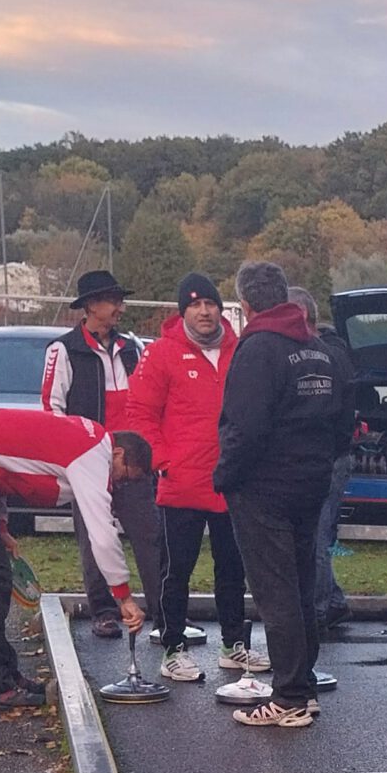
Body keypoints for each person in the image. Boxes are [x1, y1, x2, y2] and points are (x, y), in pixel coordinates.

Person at [0, 403, 146, 709]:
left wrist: (1, 526)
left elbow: (5, 466)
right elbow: (101, 532)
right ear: (119, 454)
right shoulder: (92, 454)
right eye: (125, 476)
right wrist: (123, 595)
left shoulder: (83, 436)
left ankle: (3, 672)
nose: (118, 484)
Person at [213, 261, 350, 728]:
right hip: (311, 484)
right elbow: (341, 424)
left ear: (246, 304)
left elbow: (243, 427)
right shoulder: (317, 350)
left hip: (264, 488)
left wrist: (225, 477)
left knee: (277, 595)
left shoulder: (258, 349)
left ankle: (289, 696)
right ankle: (303, 686)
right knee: (300, 584)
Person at [119, 270, 253, 683]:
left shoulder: (242, 349)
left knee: (233, 568)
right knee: (175, 570)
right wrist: (164, 460)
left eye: (210, 303)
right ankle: (172, 646)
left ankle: (234, 645)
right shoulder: (161, 354)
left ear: (221, 308)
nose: (204, 311)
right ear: (183, 312)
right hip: (181, 483)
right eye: (195, 305)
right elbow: (139, 413)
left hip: (231, 482)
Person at [40, 267, 160, 637]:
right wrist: (71, 457)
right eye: (114, 301)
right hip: (89, 462)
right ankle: (104, 611)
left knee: (152, 536)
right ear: (92, 306)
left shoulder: (132, 348)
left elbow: (147, 401)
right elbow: (51, 408)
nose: (121, 308)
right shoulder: (63, 349)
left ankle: (163, 610)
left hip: (133, 461)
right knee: (94, 538)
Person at [304, 292, 358, 634]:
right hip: (338, 455)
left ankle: (320, 609)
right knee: (321, 532)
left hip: (326, 456)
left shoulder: (322, 357)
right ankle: (334, 601)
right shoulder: (339, 353)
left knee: (317, 536)